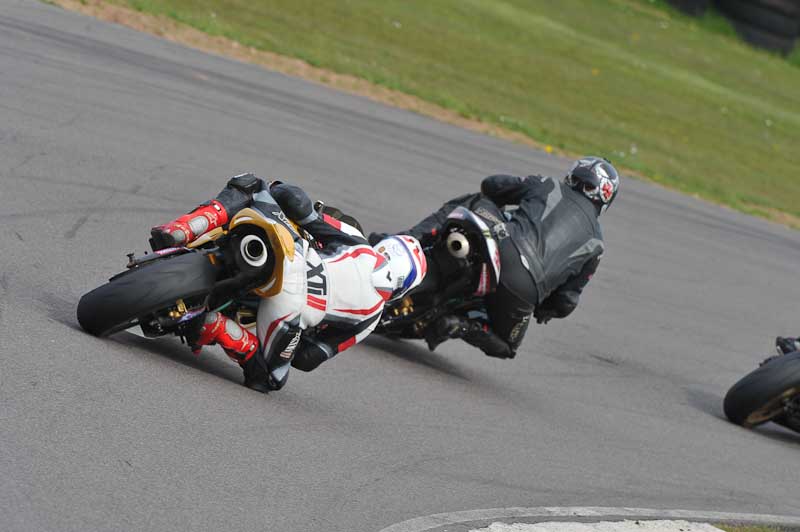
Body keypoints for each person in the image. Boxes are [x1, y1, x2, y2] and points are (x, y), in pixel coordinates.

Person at [150, 174, 426, 392]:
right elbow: (308, 359)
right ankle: (220, 327)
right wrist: (298, 336)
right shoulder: (371, 319)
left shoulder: (360, 243)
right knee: (271, 378)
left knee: (252, 184)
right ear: (403, 289)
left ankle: (183, 229)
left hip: (292, 254)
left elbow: (298, 203)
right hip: (291, 310)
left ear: (385, 248)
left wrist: (276, 189)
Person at [372, 157, 619, 360]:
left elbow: (491, 185)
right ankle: (462, 326)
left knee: (475, 201)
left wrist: (504, 203)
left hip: (503, 248)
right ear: (606, 197)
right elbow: (566, 302)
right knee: (506, 346)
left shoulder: (548, 184)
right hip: (524, 291)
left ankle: (406, 241)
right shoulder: (597, 245)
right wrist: (544, 310)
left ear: (573, 175)